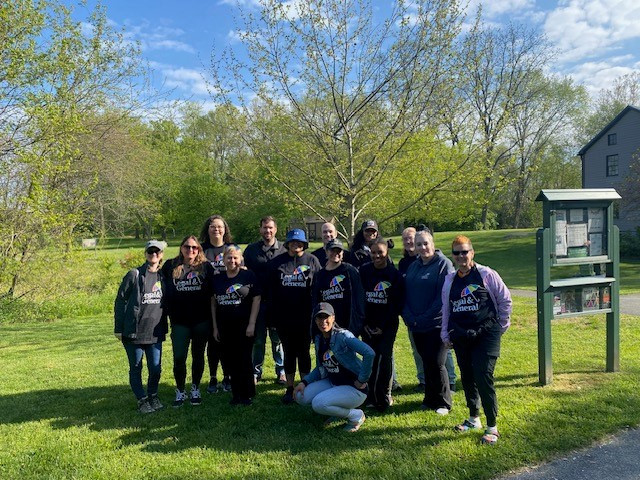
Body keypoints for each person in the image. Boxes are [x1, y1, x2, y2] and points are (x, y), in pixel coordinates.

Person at [441, 235, 512, 445]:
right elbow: (447, 308)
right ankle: (474, 418)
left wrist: (501, 325)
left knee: (483, 375)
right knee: (468, 376)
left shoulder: (487, 274)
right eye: (457, 253)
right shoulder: (450, 280)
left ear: (472, 252)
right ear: (452, 256)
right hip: (461, 334)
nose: (461, 256)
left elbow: (505, 299)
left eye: (465, 251)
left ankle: (492, 427)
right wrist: (445, 333)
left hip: (487, 333)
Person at [294, 302, 375, 432]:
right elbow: (321, 368)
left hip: (354, 388)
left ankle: (356, 416)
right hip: (333, 383)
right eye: (319, 317)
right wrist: (304, 382)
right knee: (300, 396)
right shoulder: (320, 339)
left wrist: (362, 379)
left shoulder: (343, 336)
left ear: (333, 318)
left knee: (318, 404)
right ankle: (337, 411)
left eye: (326, 317)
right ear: (315, 320)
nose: (323, 321)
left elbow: (369, 353)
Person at [400, 226, 457, 394]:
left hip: (435, 324)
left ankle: (445, 395)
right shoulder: (413, 265)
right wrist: (409, 316)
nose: (422, 248)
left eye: (425, 243)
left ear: (432, 243)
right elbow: (405, 293)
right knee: (426, 360)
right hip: (416, 324)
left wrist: (424, 317)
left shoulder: (443, 264)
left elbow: (443, 297)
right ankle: (430, 396)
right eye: (419, 244)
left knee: (438, 361)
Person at [268, 228, 321, 404]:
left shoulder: (312, 260)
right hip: (284, 317)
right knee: (289, 353)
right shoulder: (278, 262)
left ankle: (305, 386)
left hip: (306, 317)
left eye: (299, 242)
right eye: (292, 242)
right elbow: (272, 292)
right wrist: (273, 317)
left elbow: (319, 288)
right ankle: (290, 388)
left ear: (304, 243)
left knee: (304, 352)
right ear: (288, 243)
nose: (295, 245)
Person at [114, 240, 168, 413]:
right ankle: (142, 399)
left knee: (155, 368)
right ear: (145, 253)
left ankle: (153, 395)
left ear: (161, 255)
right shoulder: (134, 274)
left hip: (155, 332)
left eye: (157, 252)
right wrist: (119, 328)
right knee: (136, 367)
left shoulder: (164, 276)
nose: (154, 254)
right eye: (150, 251)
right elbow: (120, 300)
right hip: (134, 332)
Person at [161, 235, 215, 407]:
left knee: (198, 356)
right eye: (187, 247)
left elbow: (216, 289)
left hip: (201, 320)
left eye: (194, 247)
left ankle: (195, 388)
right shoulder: (170, 265)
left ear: (198, 249)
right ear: (181, 248)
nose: (190, 250)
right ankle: (180, 390)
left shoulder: (206, 267)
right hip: (179, 321)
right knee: (179, 357)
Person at [359, 238, 405, 411]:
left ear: (387, 253)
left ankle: (384, 394)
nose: (377, 256)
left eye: (380, 252)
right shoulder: (364, 271)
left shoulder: (394, 275)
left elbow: (397, 304)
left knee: (384, 358)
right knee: (369, 358)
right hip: (368, 324)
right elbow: (360, 299)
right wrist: (365, 324)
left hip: (387, 324)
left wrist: (382, 326)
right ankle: (370, 395)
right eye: (374, 252)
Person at [212, 245, 261, 405]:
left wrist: (252, 323)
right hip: (225, 325)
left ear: (240, 259)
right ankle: (236, 394)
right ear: (223, 260)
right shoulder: (218, 278)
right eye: (229, 257)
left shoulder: (248, 275)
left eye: (235, 258)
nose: (232, 261)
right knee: (230, 360)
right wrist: (215, 327)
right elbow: (213, 303)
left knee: (244, 359)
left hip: (244, 325)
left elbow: (256, 299)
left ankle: (247, 394)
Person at [243, 216, 286, 385]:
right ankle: (255, 371)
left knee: (277, 339)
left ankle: (281, 370)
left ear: (275, 229)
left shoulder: (284, 249)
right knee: (258, 339)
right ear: (260, 229)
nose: (267, 231)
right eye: (264, 228)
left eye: (270, 228)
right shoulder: (252, 250)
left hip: (277, 302)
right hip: (257, 302)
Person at [199, 215, 233, 393]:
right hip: (205, 302)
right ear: (208, 229)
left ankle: (227, 376)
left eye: (220, 227)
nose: (216, 230)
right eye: (213, 227)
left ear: (225, 229)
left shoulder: (231, 249)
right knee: (212, 343)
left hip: (227, 302)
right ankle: (213, 377)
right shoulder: (201, 249)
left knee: (226, 342)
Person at [312, 238, 364, 336]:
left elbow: (360, 297)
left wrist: (358, 322)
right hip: (326, 326)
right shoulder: (320, 275)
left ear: (343, 253)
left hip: (348, 326)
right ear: (326, 252)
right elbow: (316, 301)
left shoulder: (350, 271)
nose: (335, 253)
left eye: (339, 251)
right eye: (332, 250)